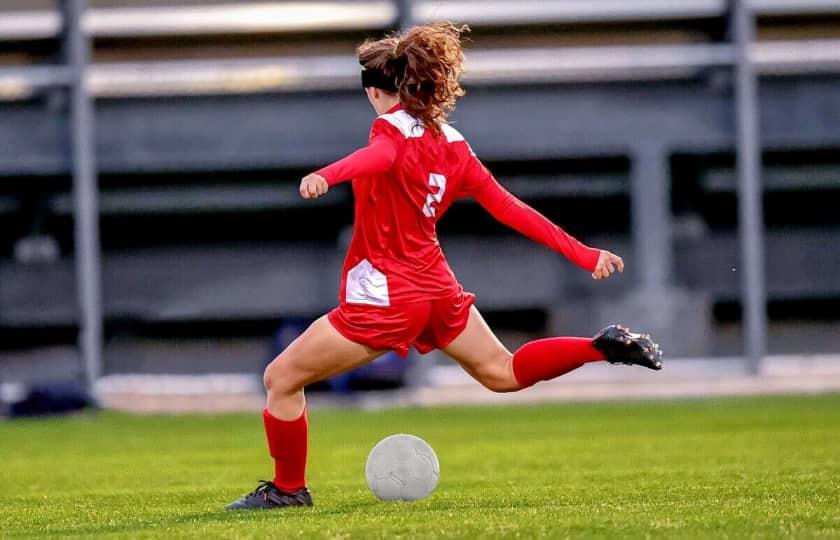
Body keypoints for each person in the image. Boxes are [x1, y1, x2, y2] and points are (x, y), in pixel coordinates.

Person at [226, 22, 662, 510]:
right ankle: (598, 348)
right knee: (502, 372)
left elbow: (380, 155)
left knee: (281, 378)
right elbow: (510, 207)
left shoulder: (387, 128)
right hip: (438, 289)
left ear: (376, 92)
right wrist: (585, 254)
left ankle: (288, 490)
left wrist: (326, 176)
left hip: (389, 296)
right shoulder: (455, 144)